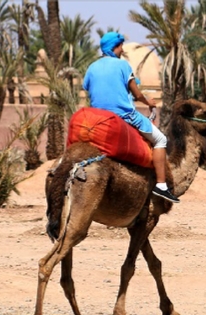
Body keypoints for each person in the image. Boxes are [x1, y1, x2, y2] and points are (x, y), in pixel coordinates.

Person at [83, 31, 178, 203]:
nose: (121, 51)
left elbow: (89, 89)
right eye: (120, 47)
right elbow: (136, 93)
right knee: (160, 140)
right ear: (116, 47)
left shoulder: (92, 67)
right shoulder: (123, 66)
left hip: (96, 117)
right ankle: (162, 185)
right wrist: (147, 101)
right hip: (124, 116)